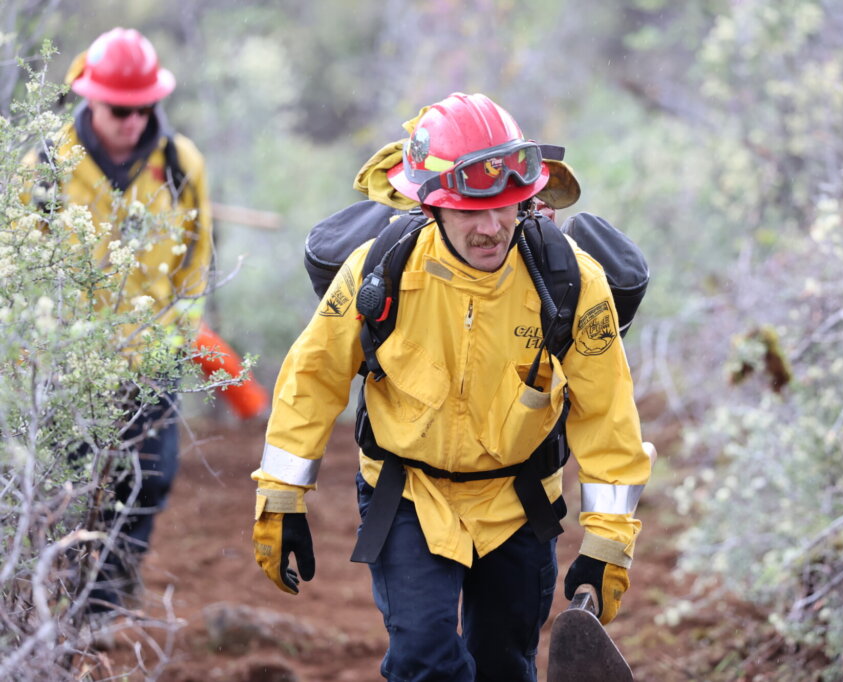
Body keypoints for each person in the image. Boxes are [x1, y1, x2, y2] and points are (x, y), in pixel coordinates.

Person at [251, 92, 650, 681]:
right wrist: (281, 496)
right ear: (431, 206)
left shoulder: (572, 284)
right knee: (423, 661)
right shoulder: (379, 269)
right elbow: (312, 378)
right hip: (409, 496)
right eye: (471, 210)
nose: (492, 228)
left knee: (503, 668)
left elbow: (608, 418)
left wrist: (607, 546)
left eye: (508, 206)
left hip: (519, 503)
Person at [27, 27, 213, 612]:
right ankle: (57, 598)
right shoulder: (49, 165)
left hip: (151, 359)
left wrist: (175, 338)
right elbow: (23, 270)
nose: (132, 120)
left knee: (148, 480)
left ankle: (106, 602)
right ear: (90, 98)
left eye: (143, 108)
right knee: (72, 492)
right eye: (119, 109)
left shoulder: (182, 164)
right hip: (66, 368)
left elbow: (195, 263)